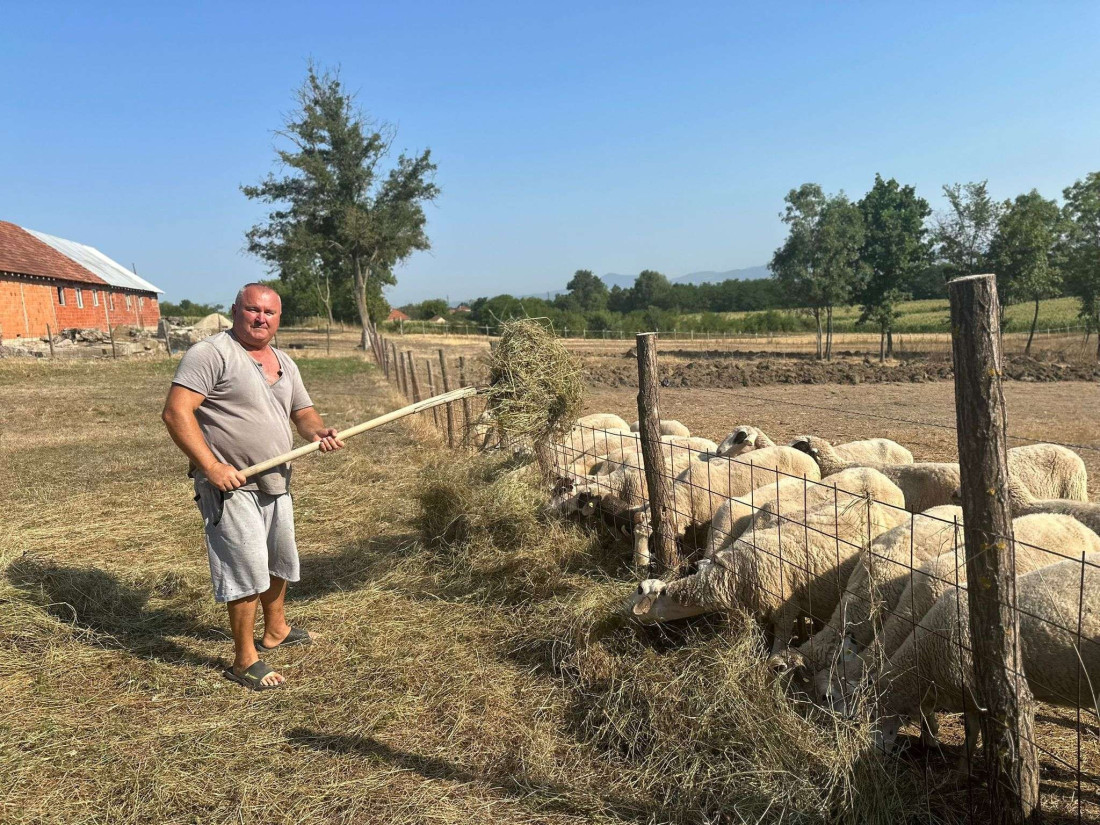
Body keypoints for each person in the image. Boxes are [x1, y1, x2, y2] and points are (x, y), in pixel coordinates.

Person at [162, 283, 344, 690]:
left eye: (270, 313)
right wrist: (211, 465)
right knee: (245, 568)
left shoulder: (283, 361)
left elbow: (303, 411)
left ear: (279, 319)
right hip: (232, 487)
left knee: (277, 559)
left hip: (277, 481)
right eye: (252, 310)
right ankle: (244, 660)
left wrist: (318, 432)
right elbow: (176, 413)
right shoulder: (211, 354)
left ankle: (276, 629)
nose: (261, 318)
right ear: (235, 310)